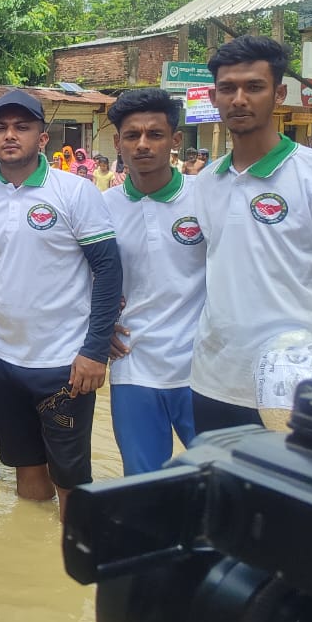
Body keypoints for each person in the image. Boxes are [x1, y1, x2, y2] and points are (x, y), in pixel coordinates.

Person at [0, 89, 122, 519]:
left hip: (63, 364)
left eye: (22, 127)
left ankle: (71, 568)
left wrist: (93, 351)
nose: (10, 135)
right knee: (26, 476)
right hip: (1, 359)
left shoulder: (74, 192)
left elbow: (108, 271)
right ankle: (31, 563)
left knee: (71, 483)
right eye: (0, 128)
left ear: (42, 137)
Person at [192, 36, 312, 433]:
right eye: (228, 88)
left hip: (297, 388)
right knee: (221, 493)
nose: (239, 99)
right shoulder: (207, 181)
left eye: (254, 87)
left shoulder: (309, 175)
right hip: (214, 380)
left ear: (279, 94)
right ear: (214, 97)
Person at [101, 89, 203, 476]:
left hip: (204, 367)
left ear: (175, 141)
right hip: (133, 364)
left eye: (155, 134)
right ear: (118, 143)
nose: (143, 144)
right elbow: (83, 278)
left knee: (223, 484)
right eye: (132, 135)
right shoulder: (101, 209)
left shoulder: (205, 197)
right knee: (144, 486)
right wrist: (97, 326)